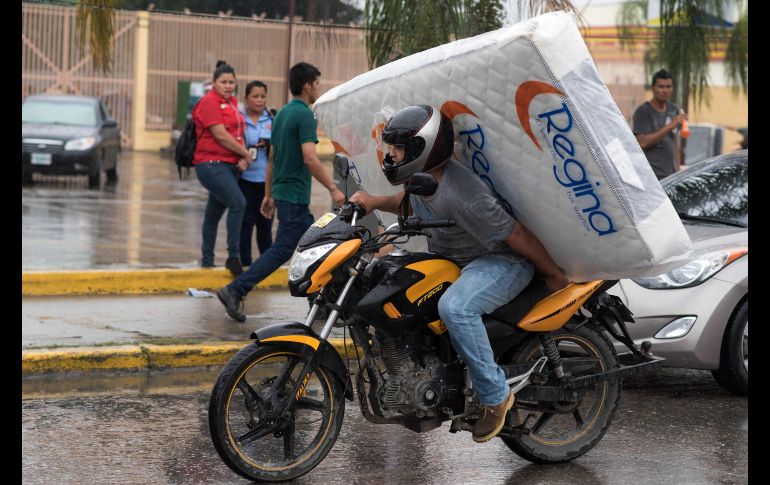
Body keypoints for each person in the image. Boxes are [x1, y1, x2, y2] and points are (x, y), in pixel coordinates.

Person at [348, 105, 569, 444]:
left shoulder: (464, 194)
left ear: (423, 149)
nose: (390, 156)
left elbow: (517, 235)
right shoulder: (422, 181)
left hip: (500, 261)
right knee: (390, 280)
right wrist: (373, 201)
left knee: (456, 308)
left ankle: (496, 395)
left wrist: (554, 275)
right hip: (455, 259)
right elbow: (407, 203)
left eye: (397, 149)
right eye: (390, 148)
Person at [216, 62, 345, 320]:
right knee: (284, 249)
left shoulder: (283, 114)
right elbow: (310, 158)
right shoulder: (305, 115)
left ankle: (318, 304)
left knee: (313, 246)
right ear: (307, 86)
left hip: (284, 193)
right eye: (317, 84)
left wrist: (268, 193)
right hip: (295, 195)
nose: (319, 88)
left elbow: (272, 158)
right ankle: (236, 288)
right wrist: (333, 188)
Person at [192, 60, 253, 276]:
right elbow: (220, 134)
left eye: (231, 82)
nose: (228, 86)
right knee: (238, 203)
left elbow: (237, 135)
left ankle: (207, 260)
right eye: (223, 82)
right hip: (210, 164)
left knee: (213, 213)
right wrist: (245, 153)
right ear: (214, 83)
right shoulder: (209, 102)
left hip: (230, 165)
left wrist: (243, 157)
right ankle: (233, 256)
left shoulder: (234, 103)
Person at [238, 80, 274, 266]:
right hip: (244, 180)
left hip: (266, 183)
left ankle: (266, 266)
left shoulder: (272, 120)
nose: (260, 100)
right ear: (246, 98)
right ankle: (245, 264)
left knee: (265, 226)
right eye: (255, 96)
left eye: (263, 96)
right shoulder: (238, 119)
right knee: (245, 224)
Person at [632, 69, 688, 180]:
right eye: (661, 86)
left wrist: (678, 171)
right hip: (651, 177)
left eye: (668, 87)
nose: (665, 90)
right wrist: (670, 126)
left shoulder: (674, 110)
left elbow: (675, 142)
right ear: (653, 88)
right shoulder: (643, 111)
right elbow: (643, 143)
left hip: (671, 176)